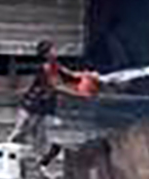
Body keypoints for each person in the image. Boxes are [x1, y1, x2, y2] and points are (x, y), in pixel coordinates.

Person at [8, 40, 92, 168]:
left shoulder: (55, 64)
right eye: (52, 49)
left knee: (39, 135)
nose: (55, 51)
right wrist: (79, 93)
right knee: (21, 131)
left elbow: (68, 74)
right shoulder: (46, 67)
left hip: (43, 106)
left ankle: (42, 162)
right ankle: (9, 157)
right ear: (46, 53)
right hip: (32, 104)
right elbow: (57, 85)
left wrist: (84, 76)